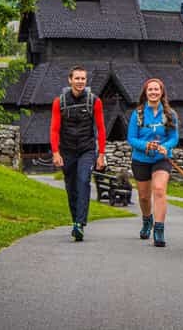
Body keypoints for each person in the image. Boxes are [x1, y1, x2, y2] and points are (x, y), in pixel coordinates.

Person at [50, 66, 106, 242]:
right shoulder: (59, 102)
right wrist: (56, 152)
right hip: (66, 150)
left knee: (83, 181)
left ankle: (80, 224)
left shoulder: (94, 101)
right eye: (77, 78)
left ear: (86, 80)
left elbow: (101, 128)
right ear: (70, 80)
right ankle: (75, 220)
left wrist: (101, 154)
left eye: (83, 78)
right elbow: (54, 129)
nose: (80, 81)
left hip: (86, 150)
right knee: (71, 187)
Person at [127, 78, 179, 247]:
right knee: (143, 197)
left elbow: (174, 138)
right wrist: (146, 145)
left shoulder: (170, 114)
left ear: (162, 92)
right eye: (150, 90)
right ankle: (147, 219)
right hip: (141, 159)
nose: (154, 92)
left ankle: (159, 229)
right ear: (146, 92)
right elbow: (131, 138)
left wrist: (166, 147)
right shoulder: (138, 113)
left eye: (157, 89)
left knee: (159, 189)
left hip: (161, 159)